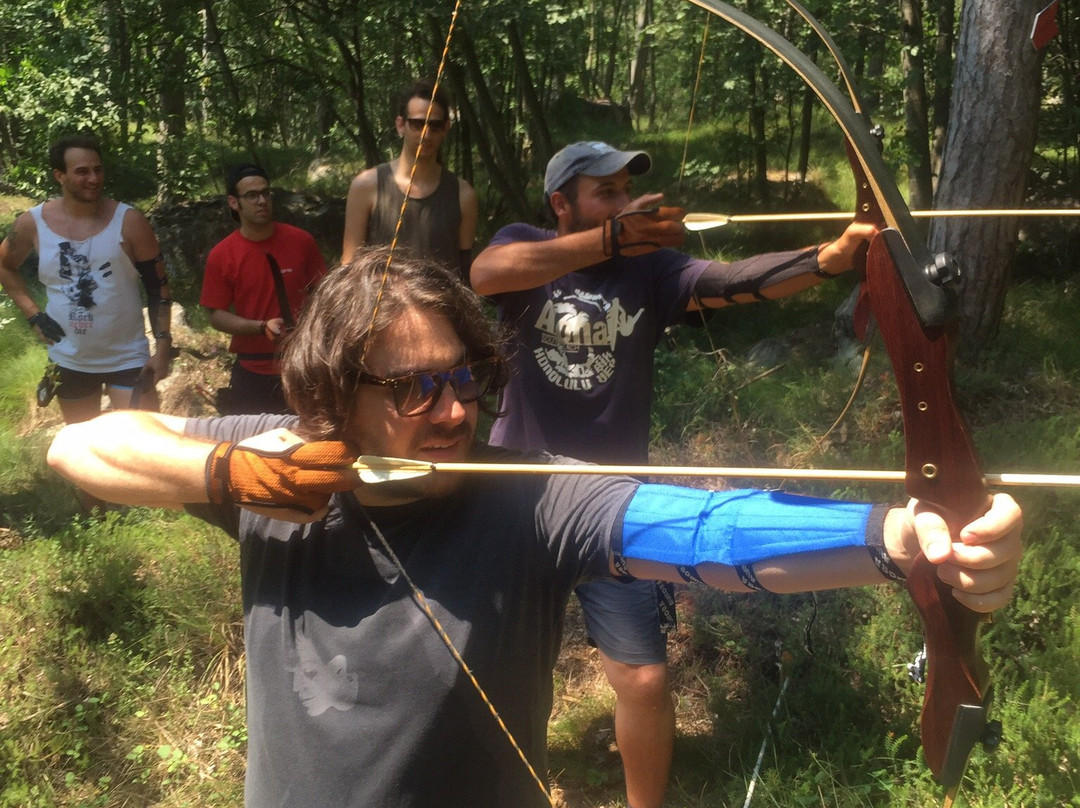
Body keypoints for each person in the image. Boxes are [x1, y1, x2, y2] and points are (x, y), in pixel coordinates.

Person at [47, 247, 1022, 808]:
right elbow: (81, 451)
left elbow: (701, 528)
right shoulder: (278, 458)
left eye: (462, 376)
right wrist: (231, 471)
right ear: (333, 399)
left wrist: (897, 538)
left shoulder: (529, 492)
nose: (453, 408)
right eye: (414, 386)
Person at [470, 140, 881, 807]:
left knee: (642, 680)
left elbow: (730, 280)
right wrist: (610, 239)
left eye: (625, 192)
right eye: (605, 192)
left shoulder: (651, 270)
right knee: (499, 664)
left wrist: (825, 261)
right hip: (518, 491)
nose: (623, 203)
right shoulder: (526, 246)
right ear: (560, 202)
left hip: (610, 501)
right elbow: (487, 273)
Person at [0, 133, 173, 423]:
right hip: (69, 359)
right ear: (60, 175)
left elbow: (159, 288)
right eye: (82, 171)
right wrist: (33, 314)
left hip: (127, 357)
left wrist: (164, 349)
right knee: (86, 454)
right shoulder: (33, 223)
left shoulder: (129, 221)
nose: (93, 178)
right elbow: (4, 265)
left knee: (144, 449)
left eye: (97, 169)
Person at [200, 164, 327, 414]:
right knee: (251, 448)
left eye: (266, 193)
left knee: (312, 447)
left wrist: (312, 333)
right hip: (252, 372)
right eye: (252, 195)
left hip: (302, 366)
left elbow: (324, 295)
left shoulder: (301, 242)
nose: (262, 201)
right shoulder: (222, 255)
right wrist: (260, 327)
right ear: (234, 203)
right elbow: (215, 315)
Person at [341, 79, 478, 280]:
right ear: (400, 125)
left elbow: (465, 274)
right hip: (381, 308)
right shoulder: (366, 186)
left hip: (440, 308)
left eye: (435, 125)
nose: (426, 133)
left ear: (446, 128)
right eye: (417, 123)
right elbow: (350, 267)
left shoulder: (463, 195)